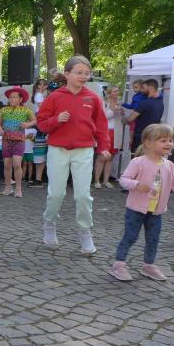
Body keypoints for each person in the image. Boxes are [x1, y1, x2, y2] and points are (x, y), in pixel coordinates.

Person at [37, 55, 110, 254]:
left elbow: (102, 126)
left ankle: (85, 231)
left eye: (87, 73)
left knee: (83, 195)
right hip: (58, 150)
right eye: (79, 72)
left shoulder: (93, 98)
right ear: (67, 74)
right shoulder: (55, 97)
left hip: (84, 150)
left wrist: (103, 147)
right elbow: (41, 124)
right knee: (56, 193)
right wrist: (56, 120)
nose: (83, 76)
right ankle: (49, 223)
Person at [110, 124, 174, 282]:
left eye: (170, 140)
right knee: (130, 236)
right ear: (148, 143)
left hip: (156, 212)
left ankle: (148, 265)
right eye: (163, 140)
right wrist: (137, 184)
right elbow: (124, 179)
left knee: (153, 239)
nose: (169, 143)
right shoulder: (138, 162)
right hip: (136, 209)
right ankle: (119, 265)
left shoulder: (170, 166)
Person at [0, 87, 36, 198]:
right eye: (10, 97)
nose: (12, 99)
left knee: (17, 164)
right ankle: (8, 187)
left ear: (20, 99)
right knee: (6, 165)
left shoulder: (25, 110)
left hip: (19, 140)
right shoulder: (4, 110)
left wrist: (27, 124)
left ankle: (18, 188)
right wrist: (0, 129)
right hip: (6, 140)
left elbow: (35, 120)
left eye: (15, 97)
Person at [124, 79, 164, 153]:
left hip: (140, 137)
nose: (141, 90)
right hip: (152, 136)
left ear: (150, 88)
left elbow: (129, 120)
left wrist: (122, 115)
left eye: (143, 88)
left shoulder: (144, 103)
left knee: (137, 158)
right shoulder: (160, 102)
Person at [94, 85, 122, 188]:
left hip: (116, 132)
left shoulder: (119, 104)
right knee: (101, 157)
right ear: (109, 93)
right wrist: (113, 110)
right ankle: (97, 181)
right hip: (105, 131)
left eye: (118, 91)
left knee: (110, 157)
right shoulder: (104, 103)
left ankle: (106, 180)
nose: (117, 93)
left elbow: (122, 120)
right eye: (114, 91)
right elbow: (103, 117)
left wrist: (122, 113)